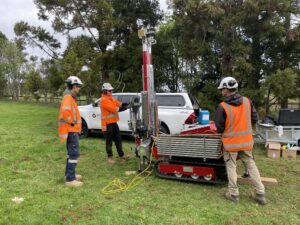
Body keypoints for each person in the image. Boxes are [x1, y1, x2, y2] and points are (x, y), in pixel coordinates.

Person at [214, 76, 267, 205]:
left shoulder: (223, 106)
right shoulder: (247, 101)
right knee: (250, 164)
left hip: (231, 144)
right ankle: (260, 192)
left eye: (222, 89)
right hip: (246, 142)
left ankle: (233, 193)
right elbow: (254, 119)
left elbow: (219, 127)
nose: (221, 91)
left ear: (226, 89)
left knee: (231, 166)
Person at [58, 76, 83, 187]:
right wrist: (72, 122)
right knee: (74, 154)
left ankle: (68, 174)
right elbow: (65, 112)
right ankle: (70, 179)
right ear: (73, 86)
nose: (79, 89)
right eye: (78, 87)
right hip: (71, 129)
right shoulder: (68, 97)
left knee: (70, 154)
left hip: (72, 130)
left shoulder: (70, 97)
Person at [100, 82, 130, 164]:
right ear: (105, 91)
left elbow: (118, 103)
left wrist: (126, 103)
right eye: (109, 91)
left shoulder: (110, 98)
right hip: (107, 124)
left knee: (118, 139)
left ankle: (121, 156)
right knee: (109, 141)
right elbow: (114, 109)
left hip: (113, 123)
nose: (111, 92)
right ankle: (109, 157)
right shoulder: (104, 100)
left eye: (111, 90)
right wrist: (124, 108)